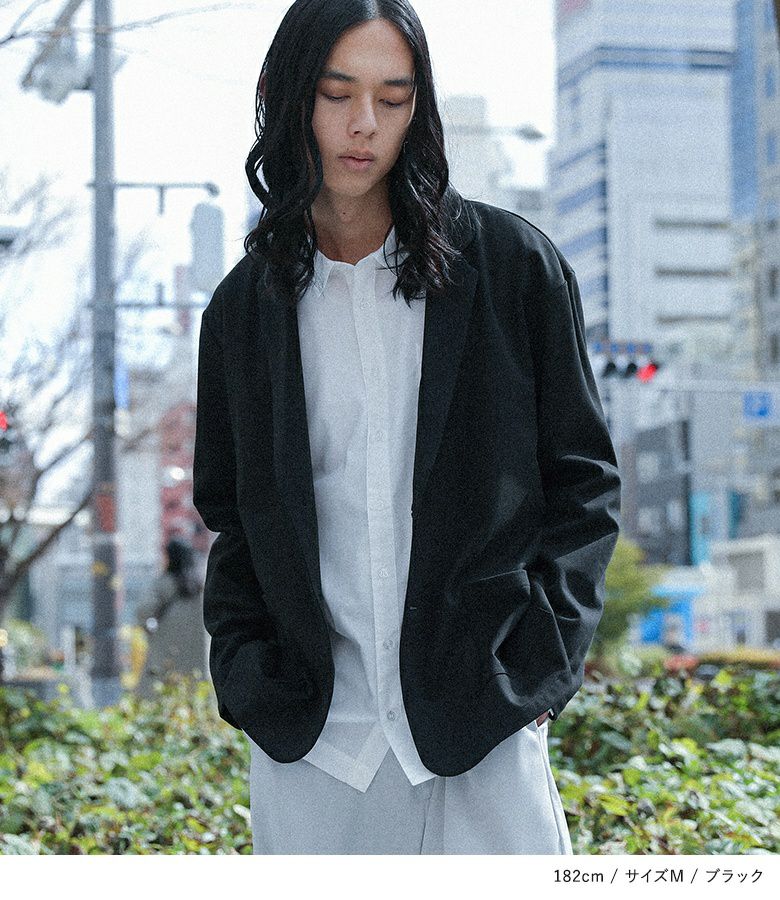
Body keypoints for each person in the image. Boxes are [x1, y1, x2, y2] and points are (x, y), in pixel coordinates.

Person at [192, 0, 622, 854]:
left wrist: (537, 674)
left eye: (393, 99)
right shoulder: (243, 310)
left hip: (482, 727)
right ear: (283, 96)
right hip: (316, 743)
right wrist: (247, 674)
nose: (365, 125)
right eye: (336, 93)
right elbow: (231, 517)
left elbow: (585, 486)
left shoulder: (512, 268)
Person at [135, 537, 206, 699]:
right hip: (197, 649)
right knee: (193, 689)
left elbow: (143, 610)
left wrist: (148, 629)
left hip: (166, 645)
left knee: (163, 686)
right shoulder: (200, 586)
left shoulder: (164, 583)